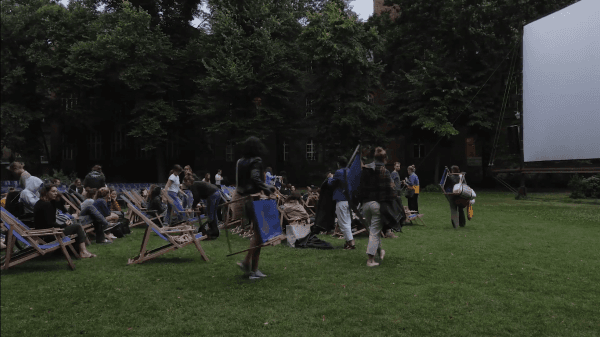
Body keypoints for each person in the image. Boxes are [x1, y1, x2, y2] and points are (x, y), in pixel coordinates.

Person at [235, 136, 276, 280]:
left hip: (243, 198)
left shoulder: (240, 162)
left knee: (258, 233)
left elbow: (240, 181)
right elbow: (255, 178)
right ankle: (248, 263)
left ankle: (253, 269)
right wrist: (267, 188)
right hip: (254, 198)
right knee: (259, 234)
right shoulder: (256, 161)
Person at [33, 184, 96, 258]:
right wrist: (64, 225)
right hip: (50, 234)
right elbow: (49, 223)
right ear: (46, 192)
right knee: (77, 226)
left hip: (45, 233)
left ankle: (80, 251)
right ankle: (83, 252)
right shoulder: (46, 205)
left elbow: (49, 221)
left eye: (56, 191)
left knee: (75, 225)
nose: (56, 193)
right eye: (53, 191)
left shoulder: (41, 203)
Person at [359, 147, 396, 267]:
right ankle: (370, 260)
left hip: (365, 205)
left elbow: (359, 187)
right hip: (377, 205)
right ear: (384, 158)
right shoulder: (384, 171)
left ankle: (380, 252)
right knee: (374, 232)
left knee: (373, 231)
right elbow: (391, 191)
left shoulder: (365, 169)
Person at [327, 156, 355, 250]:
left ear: (338, 164)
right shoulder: (350, 171)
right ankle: (348, 242)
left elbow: (331, 184)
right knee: (347, 222)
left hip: (341, 199)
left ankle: (351, 243)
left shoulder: (339, 172)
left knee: (343, 223)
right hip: (349, 199)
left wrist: (330, 178)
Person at [182, 175, 221, 239]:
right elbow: (199, 196)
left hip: (212, 194)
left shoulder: (193, 185)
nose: (185, 184)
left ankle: (212, 231)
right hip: (217, 192)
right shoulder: (197, 183)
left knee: (210, 214)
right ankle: (216, 230)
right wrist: (198, 204)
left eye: (185, 182)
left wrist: (192, 208)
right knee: (213, 213)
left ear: (188, 181)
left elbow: (196, 198)